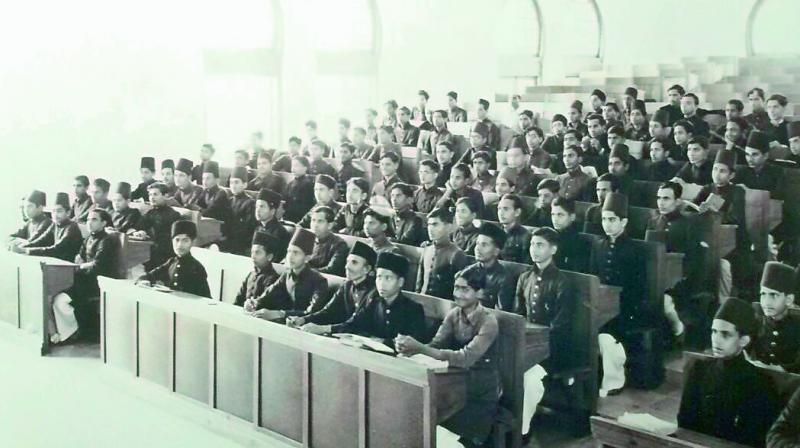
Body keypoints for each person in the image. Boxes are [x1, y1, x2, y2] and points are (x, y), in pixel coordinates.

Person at [396, 264, 499, 447]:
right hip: (456, 378)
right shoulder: (454, 314)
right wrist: (410, 349)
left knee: (440, 422)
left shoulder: (488, 322)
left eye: (465, 289)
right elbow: (436, 344)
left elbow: (465, 358)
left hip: (479, 388)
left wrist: (420, 348)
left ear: (480, 293)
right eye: (456, 288)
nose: (458, 294)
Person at [678, 298, 781, 447]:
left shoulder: (760, 383)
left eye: (725, 334)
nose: (716, 340)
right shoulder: (699, 370)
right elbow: (685, 421)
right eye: (714, 332)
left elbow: (754, 439)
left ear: (743, 340)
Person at [591, 193, 651, 394]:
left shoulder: (635, 249)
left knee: (608, 336)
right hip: (600, 305)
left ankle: (614, 380)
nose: (607, 224)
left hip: (626, 308)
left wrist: (619, 306)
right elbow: (593, 277)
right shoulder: (599, 245)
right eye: (604, 219)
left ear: (623, 222)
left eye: (612, 220)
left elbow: (639, 286)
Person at [304, 252, 425, 350]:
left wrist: (385, 342)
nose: (381, 283)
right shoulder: (374, 302)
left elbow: (414, 342)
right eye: (379, 277)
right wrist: (324, 329)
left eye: (388, 278)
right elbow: (354, 323)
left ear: (400, 282)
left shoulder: (413, 309)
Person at [515, 227, 578, 374]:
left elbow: (561, 321)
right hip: (528, 340)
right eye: (532, 244)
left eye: (540, 245)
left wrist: (539, 339)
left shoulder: (561, 281)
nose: (534, 249)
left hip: (552, 345)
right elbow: (518, 313)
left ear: (553, 250)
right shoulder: (525, 277)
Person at [250, 227, 330, 322]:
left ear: (307, 258)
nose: (290, 257)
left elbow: (312, 311)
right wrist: (254, 303)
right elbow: (268, 295)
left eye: (296, 253)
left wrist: (280, 313)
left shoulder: (319, 281)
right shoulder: (287, 275)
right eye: (289, 251)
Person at [290, 241, 376, 328]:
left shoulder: (374, 292)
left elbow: (356, 323)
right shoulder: (347, 286)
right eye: (347, 262)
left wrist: (325, 329)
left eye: (354, 263)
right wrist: (303, 319)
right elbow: (328, 311)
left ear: (367, 269)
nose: (347, 266)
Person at [63, 209, 120, 341]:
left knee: (72, 290)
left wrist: (82, 266)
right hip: (87, 277)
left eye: (94, 220)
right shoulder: (89, 238)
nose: (89, 223)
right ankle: (70, 330)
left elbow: (98, 265)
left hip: (99, 280)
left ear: (104, 223)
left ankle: (82, 331)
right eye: (88, 219)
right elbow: (79, 257)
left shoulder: (107, 240)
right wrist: (83, 265)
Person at [135, 220, 211, 298]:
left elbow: (205, 297)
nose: (180, 245)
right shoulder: (171, 262)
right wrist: (143, 281)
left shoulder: (197, 268)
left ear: (192, 243)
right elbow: (149, 275)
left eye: (185, 241)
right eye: (177, 240)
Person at [748, 262, 800, 373]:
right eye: (763, 294)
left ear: (789, 300)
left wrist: (783, 369)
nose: (766, 302)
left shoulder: (797, 326)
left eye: (773, 295)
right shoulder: (756, 322)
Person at [417, 207, 469, 300]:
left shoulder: (456, 254)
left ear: (448, 226)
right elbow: (419, 283)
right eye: (429, 225)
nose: (430, 229)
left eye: (435, 224)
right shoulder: (427, 249)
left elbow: (459, 289)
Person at [16, 192, 82, 262]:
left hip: (69, 267)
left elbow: (56, 249)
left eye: (59, 211)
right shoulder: (55, 224)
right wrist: (22, 247)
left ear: (68, 213)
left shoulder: (72, 227)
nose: (55, 215)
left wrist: (27, 251)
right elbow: (41, 241)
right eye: (53, 211)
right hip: (58, 264)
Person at [132, 183, 182, 270]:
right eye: (150, 195)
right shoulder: (151, 212)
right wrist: (140, 232)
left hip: (167, 253)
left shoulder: (173, 215)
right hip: (153, 249)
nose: (152, 197)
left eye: (155, 194)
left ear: (165, 196)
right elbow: (140, 225)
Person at [735, 130, 784, 198]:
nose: (750, 159)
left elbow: (779, 196)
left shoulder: (777, 172)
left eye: (754, 155)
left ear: (765, 156)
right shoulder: (740, 171)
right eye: (747, 154)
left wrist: (749, 192)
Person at [223, 167, 258, 256]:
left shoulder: (250, 203)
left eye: (236, 182)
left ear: (245, 184)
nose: (233, 186)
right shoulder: (229, 201)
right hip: (227, 239)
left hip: (242, 244)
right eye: (231, 183)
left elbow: (248, 229)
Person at [550, 197, 590, 273]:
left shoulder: (580, 242)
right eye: (553, 214)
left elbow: (577, 272)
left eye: (560, 215)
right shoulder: (548, 237)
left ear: (572, 217)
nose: (555, 219)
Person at [307, 205, 349, 277]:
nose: (315, 225)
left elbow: (332, 270)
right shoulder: (306, 239)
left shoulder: (339, 244)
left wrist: (305, 271)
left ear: (330, 225)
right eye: (313, 220)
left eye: (320, 221)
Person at [254, 188, 291, 263]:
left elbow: (277, 260)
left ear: (272, 211)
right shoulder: (258, 228)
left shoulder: (280, 233)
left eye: (262, 206)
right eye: (257, 206)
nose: (258, 210)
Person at [497, 194, 531, 264]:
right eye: (499, 209)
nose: (501, 213)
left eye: (506, 209)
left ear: (517, 212)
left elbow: (525, 265)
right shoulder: (494, 233)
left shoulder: (525, 237)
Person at [283, 156, 316, 223]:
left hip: (300, 217)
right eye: (292, 166)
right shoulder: (290, 183)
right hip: (289, 214)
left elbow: (306, 205)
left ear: (305, 168)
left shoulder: (308, 184)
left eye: (296, 166)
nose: (293, 169)